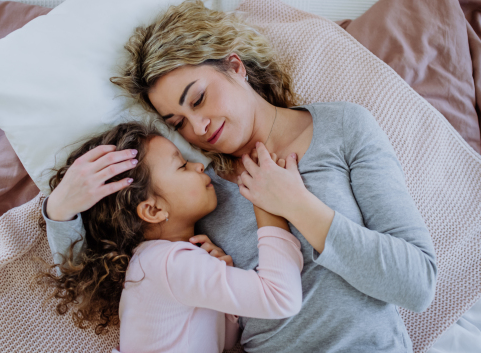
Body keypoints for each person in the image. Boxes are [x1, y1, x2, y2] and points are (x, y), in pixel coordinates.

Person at [51, 0, 437, 352]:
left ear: (236, 67)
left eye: (199, 98)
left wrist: (297, 206)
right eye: (177, 122)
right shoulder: (198, 191)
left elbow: (417, 285)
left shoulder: (342, 127)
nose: (198, 128)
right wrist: (62, 208)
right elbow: (107, 269)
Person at [37, 121, 304, 353]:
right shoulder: (165, 263)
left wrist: (224, 281)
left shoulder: (154, 264)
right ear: (153, 209)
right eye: (182, 165)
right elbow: (281, 297)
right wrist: (268, 204)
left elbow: (222, 341)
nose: (200, 166)